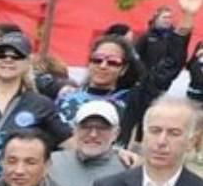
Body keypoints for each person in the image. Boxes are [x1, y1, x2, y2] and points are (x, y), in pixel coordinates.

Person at [0, 31, 72, 186]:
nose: (8, 59)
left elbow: (70, 145)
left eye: (17, 55)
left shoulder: (41, 104)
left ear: (27, 62)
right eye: (1, 54)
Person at [57, 31, 187, 147]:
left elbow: (167, 69)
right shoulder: (66, 96)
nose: (103, 66)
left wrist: (185, 23)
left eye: (113, 62)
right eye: (97, 60)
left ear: (123, 69)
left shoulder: (130, 100)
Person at [48, 100, 135, 186]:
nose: (93, 134)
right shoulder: (51, 163)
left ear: (116, 133)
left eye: (102, 128)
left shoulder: (128, 168)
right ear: (74, 130)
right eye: (86, 127)